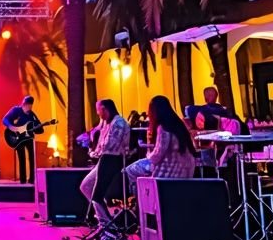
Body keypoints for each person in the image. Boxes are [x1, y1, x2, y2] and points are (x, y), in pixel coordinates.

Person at [122, 96, 199, 190]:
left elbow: (157, 156)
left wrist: (148, 152)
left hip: (169, 170)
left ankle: (140, 199)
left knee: (129, 171)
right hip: (186, 170)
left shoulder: (163, 128)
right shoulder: (179, 124)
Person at [79, 99, 132, 227]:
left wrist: (96, 152)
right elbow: (100, 145)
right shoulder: (106, 124)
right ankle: (104, 217)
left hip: (113, 160)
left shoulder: (118, 123)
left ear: (104, 109)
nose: (98, 113)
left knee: (97, 193)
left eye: (98, 110)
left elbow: (110, 146)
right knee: (86, 186)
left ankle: (106, 224)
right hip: (104, 159)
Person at [3, 96, 43, 183]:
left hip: (29, 138)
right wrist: (11, 127)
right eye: (26, 104)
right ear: (23, 104)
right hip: (18, 138)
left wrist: (38, 127)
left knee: (32, 158)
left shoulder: (32, 115)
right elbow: (5, 119)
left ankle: (32, 180)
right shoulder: (16, 110)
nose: (28, 107)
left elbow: (40, 130)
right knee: (22, 158)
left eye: (30, 105)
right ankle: (23, 180)